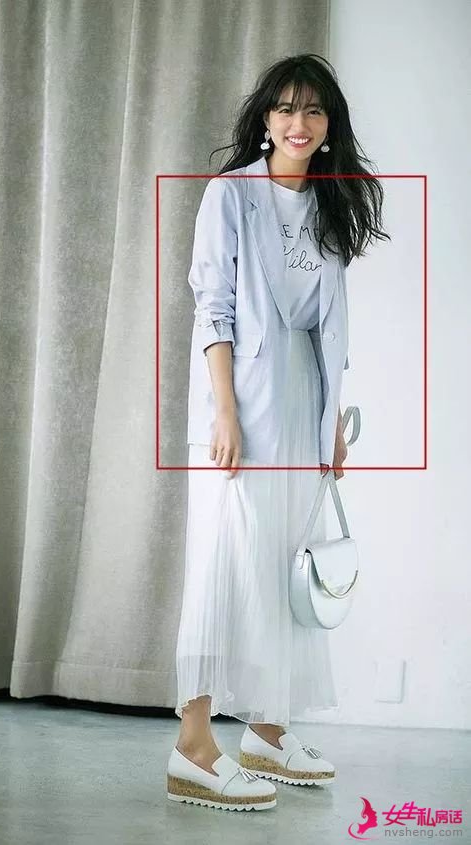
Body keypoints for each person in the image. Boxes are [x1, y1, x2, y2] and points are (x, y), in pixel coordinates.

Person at [167, 53, 389, 811]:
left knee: (287, 565)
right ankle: (194, 746)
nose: (300, 122)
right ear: (265, 119)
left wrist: (332, 423)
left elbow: (330, 326)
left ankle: (267, 730)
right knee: (223, 563)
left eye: (315, 110)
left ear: (329, 127)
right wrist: (224, 412)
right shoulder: (231, 195)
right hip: (240, 403)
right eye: (287, 108)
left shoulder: (329, 203)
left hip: (303, 405)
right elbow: (213, 308)